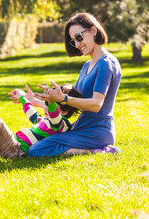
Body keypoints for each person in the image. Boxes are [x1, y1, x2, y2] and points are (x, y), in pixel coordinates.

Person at [20, 12, 121, 157]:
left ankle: (102, 151)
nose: (78, 44)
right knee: (39, 144)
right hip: (81, 126)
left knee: (36, 150)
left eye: (79, 37)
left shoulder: (106, 63)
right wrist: (37, 101)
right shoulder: (87, 65)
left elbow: (96, 104)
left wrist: (63, 99)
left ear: (93, 31)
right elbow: (71, 103)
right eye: (74, 41)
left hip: (97, 131)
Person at [0, 84, 82, 161]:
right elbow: (32, 114)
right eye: (47, 102)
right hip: (10, 145)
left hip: (16, 151)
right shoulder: (45, 121)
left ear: (64, 112)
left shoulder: (61, 125)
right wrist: (23, 98)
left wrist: (51, 102)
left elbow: (55, 117)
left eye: (51, 103)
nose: (46, 105)